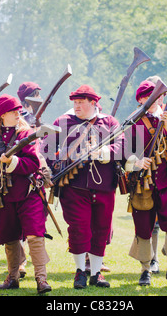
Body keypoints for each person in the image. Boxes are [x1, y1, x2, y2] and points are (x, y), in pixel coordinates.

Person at [40, 85, 122, 289]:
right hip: (73, 188)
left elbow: (122, 146)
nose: (76, 106)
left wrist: (103, 152)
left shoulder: (109, 122)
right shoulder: (62, 122)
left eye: (80, 102)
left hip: (104, 186)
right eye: (74, 102)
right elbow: (45, 149)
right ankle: (80, 272)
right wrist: (49, 171)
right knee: (78, 229)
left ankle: (95, 274)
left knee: (101, 230)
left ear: (93, 103)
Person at [0, 94, 51, 294]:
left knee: (35, 234)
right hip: (1, 194)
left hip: (28, 191)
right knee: (9, 235)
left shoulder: (27, 134)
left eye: (18, 111)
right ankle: (13, 277)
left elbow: (33, 163)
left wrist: (13, 162)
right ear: (2, 115)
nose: (18, 114)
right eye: (13, 111)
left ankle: (41, 279)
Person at [124, 80, 167, 287]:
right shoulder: (133, 122)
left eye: (158, 96)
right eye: (149, 96)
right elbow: (123, 152)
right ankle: (146, 270)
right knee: (143, 228)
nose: (155, 99)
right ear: (141, 99)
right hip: (142, 183)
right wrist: (136, 162)